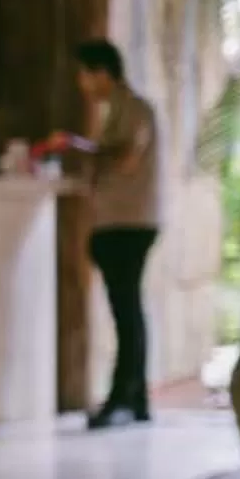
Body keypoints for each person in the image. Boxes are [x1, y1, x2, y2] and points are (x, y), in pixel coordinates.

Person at [61, 40, 163, 428]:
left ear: (101, 72)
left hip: (129, 222)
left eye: (85, 75)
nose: (83, 84)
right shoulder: (116, 111)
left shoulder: (134, 109)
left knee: (127, 313)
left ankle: (124, 396)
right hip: (118, 223)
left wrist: (81, 149)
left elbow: (125, 158)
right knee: (127, 312)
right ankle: (133, 397)